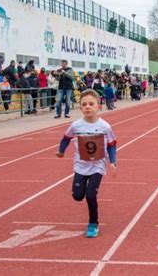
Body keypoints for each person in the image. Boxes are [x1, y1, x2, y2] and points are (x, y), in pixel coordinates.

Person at [56, 89, 117, 238]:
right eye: (84, 104)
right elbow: (66, 138)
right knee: (77, 196)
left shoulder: (105, 126)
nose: (87, 107)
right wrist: (61, 151)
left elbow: (112, 144)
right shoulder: (76, 125)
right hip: (80, 165)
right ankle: (84, 201)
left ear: (99, 106)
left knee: (90, 195)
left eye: (91, 104)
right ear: (80, 107)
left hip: (98, 165)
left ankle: (93, 223)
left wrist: (113, 162)